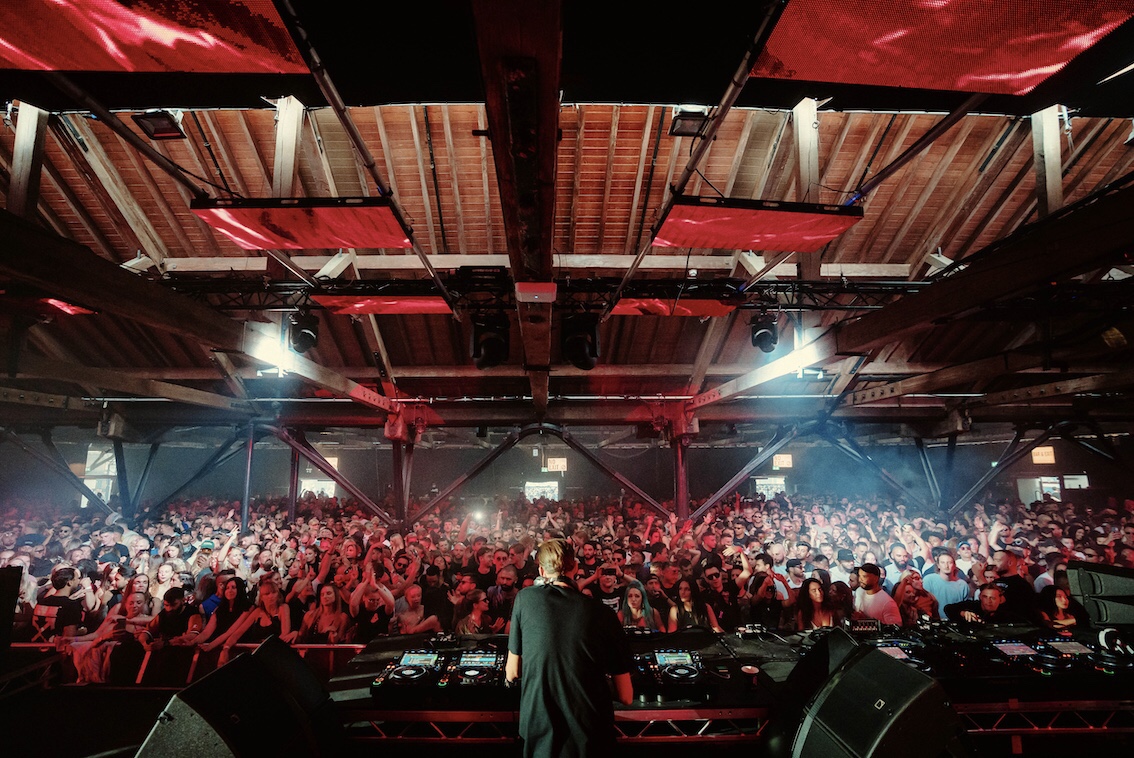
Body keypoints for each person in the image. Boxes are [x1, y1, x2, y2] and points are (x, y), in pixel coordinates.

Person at [506, 538, 633, 758]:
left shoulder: (525, 599)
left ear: (541, 571)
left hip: (540, 730)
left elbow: (512, 671)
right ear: (575, 567)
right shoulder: (604, 614)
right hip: (591, 734)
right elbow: (626, 696)